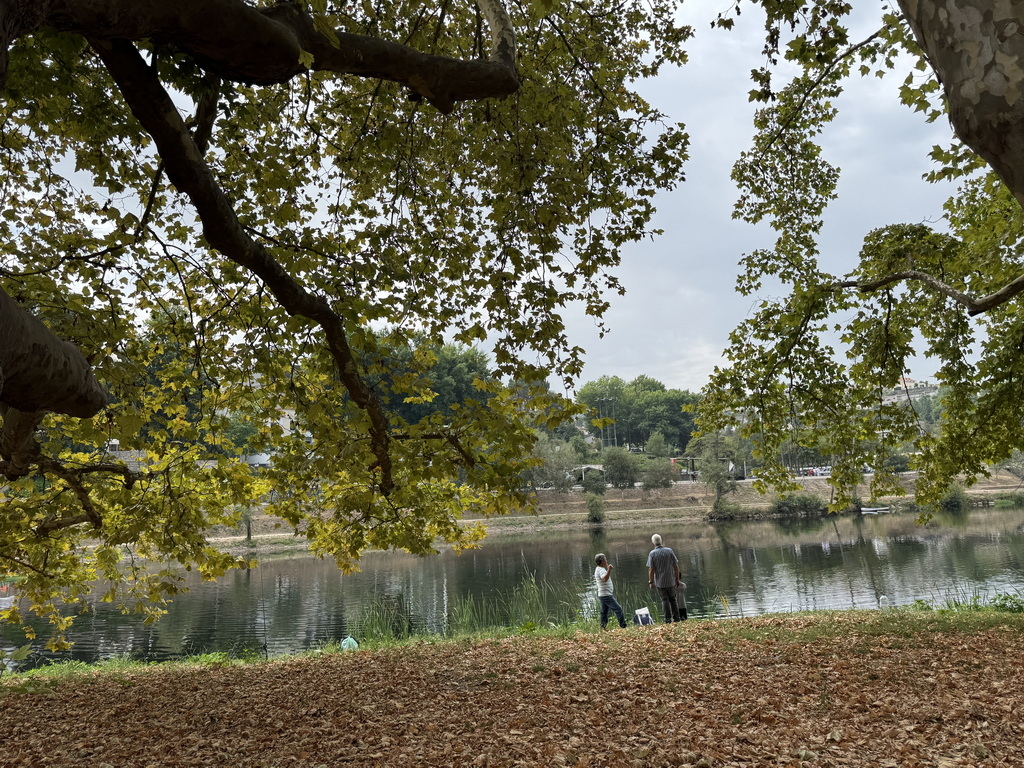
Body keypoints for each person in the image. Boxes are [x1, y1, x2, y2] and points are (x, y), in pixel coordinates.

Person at [646, 533, 683, 623]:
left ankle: (667, 619)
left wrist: (651, 582)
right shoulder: (669, 551)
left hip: (660, 582)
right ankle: (676, 618)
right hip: (671, 580)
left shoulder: (652, 554)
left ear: (653, 542)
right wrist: (677, 579)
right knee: (673, 599)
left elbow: (651, 569)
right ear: (661, 541)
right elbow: (675, 566)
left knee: (664, 600)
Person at [593, 553, 627, 629]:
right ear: (602, 561)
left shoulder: (598, 569)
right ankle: (623, 626)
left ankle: (603, 627)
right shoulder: (601, 570)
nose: (606, 560)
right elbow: (604, 579)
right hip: (606, 595)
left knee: (604, 612)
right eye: (605, 559)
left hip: (603, 594)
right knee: (618, 609)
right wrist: (609, 570)